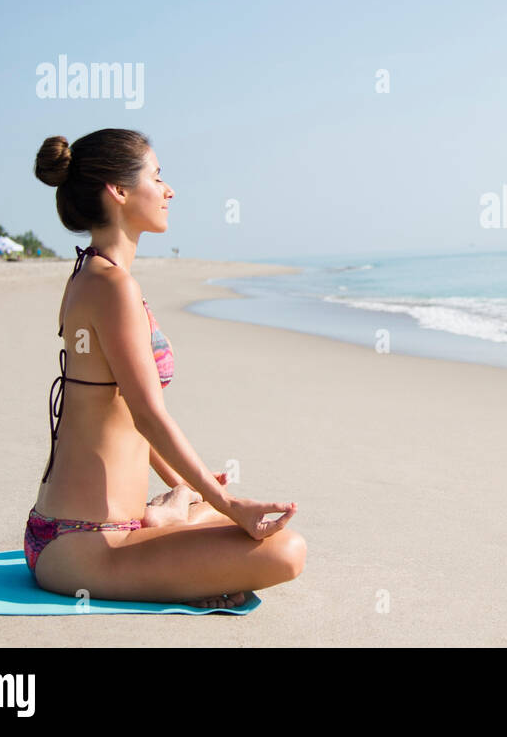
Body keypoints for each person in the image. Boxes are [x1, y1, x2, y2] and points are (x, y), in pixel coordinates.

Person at [27, 129, 304, 608]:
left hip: (81, 529)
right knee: (286, 552)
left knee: (226, 514)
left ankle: (172, 510)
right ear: (118, 191)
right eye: (156, 177)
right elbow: (148, 415)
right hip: (87, 542)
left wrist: (183, 485)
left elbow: (121, 414)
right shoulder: (110, 286)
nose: (169, 189)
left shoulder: (93, 275)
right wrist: (230, 507)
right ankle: (173, 523)